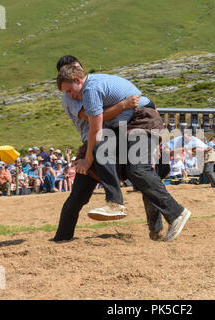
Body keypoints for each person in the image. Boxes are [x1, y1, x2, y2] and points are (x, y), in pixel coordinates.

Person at [55, 56, 190, 242]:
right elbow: (96, 119)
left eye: (76, 68)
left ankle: (164, 220)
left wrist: (162, 139)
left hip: (129, 127)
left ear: (78, 76)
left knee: (140, 172)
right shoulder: (73, 97)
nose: (70, 93)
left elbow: (146, 105)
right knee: (82, 190)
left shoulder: (91, 88)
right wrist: (123, 105)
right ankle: (64, 236)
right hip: (107, 136)